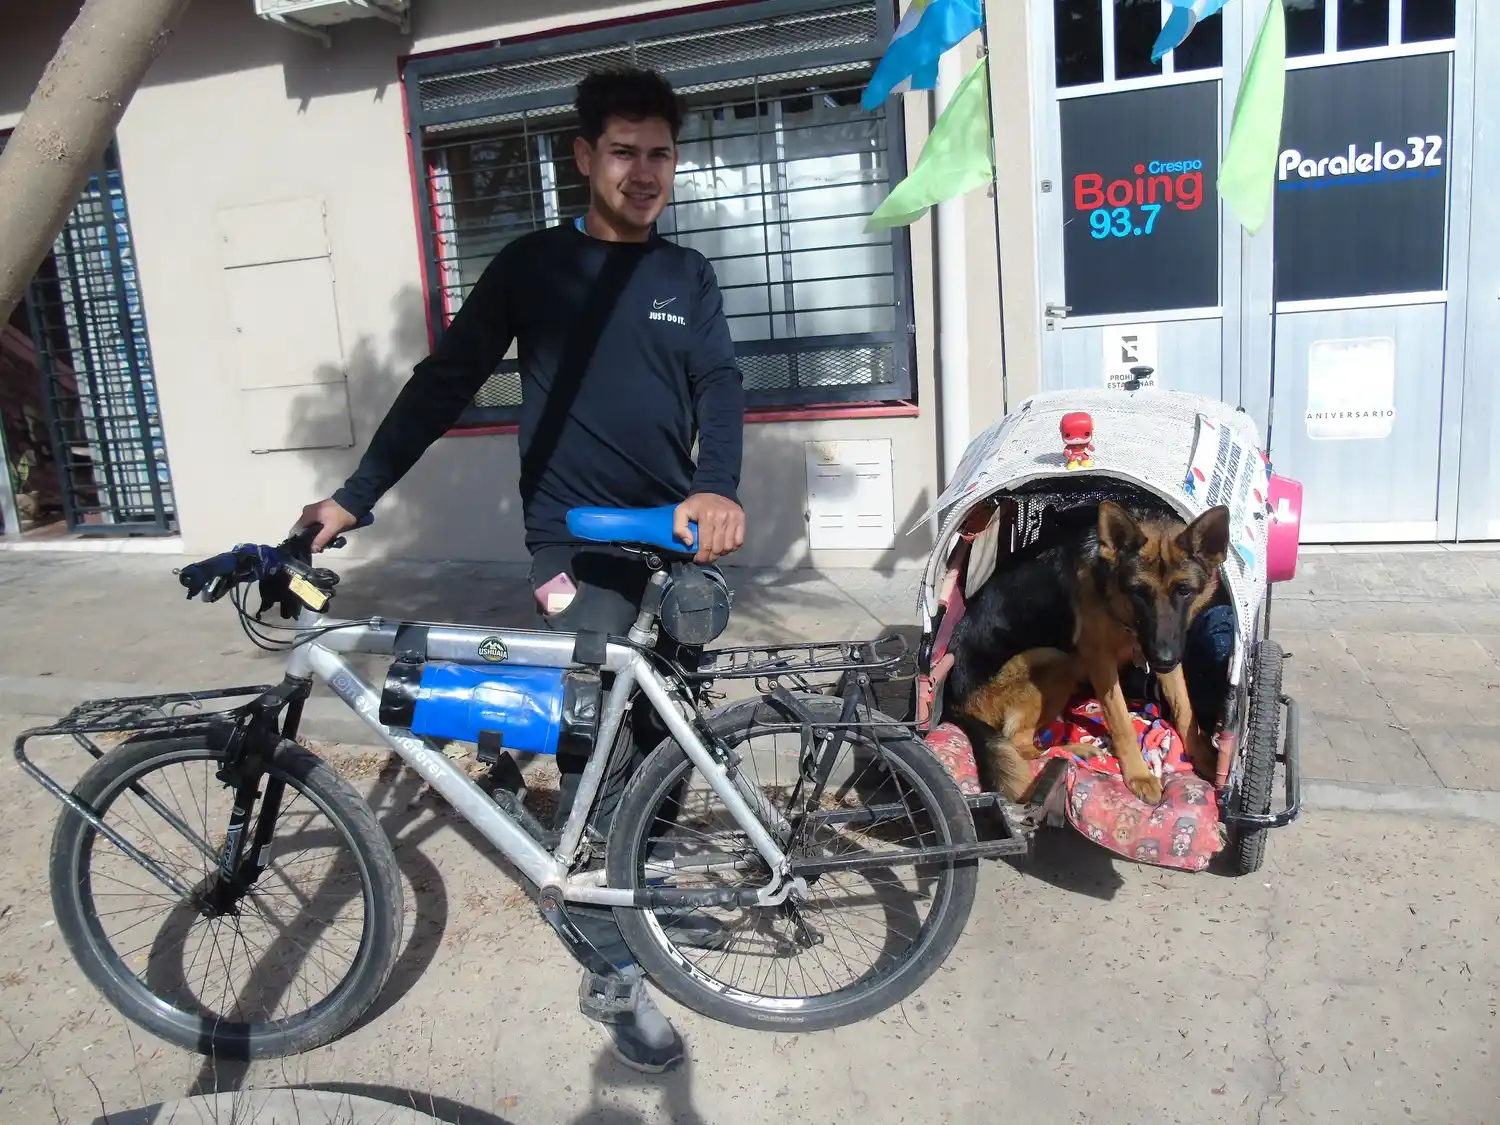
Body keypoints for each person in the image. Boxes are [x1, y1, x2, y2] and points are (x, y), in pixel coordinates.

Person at [294, 67, 746, 1073]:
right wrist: (354, 496)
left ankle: (646, 877)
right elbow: (444, 382)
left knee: (671, 730)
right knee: (591, 738)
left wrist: (717, 488)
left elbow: (719, 384)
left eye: (660, 154)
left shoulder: (688, 278)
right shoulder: (534, 266)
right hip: (571, 543)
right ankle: (609, 967)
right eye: (623, 152)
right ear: (583, 158)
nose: (643, 172)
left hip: (671, 539)